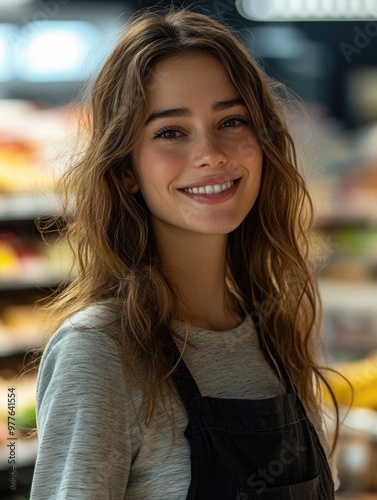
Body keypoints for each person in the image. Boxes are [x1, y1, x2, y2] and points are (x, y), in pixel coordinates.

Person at [30, 7, 340, 499]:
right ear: (126, 168)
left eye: (232, 121)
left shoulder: (275, 328)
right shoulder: (100, 351)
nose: (212, 154)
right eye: (171, 131)